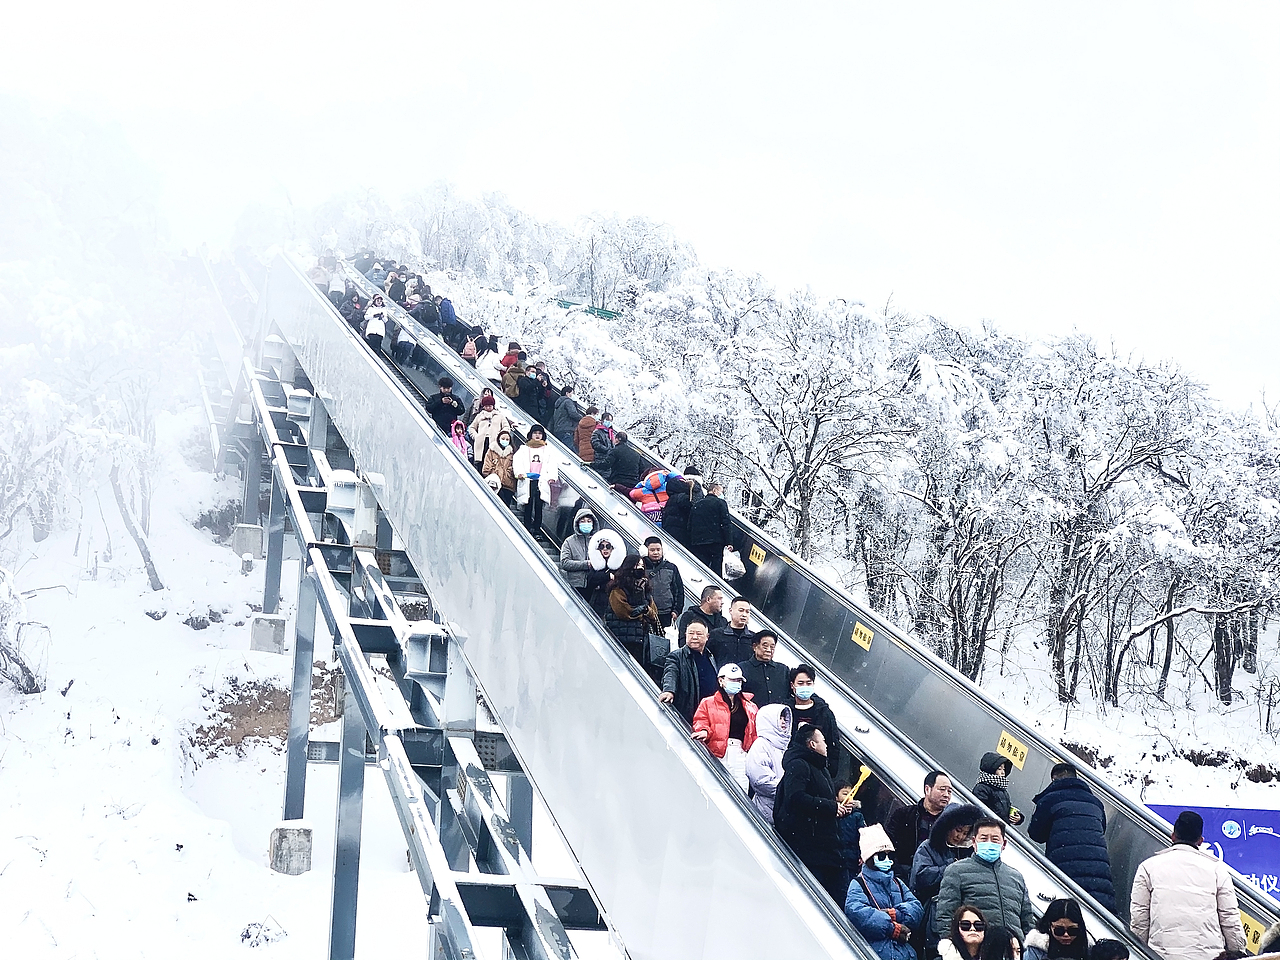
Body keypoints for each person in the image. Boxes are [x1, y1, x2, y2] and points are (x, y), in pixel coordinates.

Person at [1130, 810, 1247, 960]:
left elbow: (1139, 919)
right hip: (1209, 957)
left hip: (1161, 955)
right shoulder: (1217, 870)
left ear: (1173, 836)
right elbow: (1229, 918)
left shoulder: (1148, 867)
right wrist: (1238, 952)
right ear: (1200, 840)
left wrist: (1139, 952)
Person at [774, 724, 853, 905]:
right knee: (820, 902)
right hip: (812, 851)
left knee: (838, 901)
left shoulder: (821, 769)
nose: (827, 745)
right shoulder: (799, 765)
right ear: (812, 745)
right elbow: (796, 797)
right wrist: (831, 807)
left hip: (829, 850)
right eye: (823, 741)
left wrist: (838, 809)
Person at [1027, 763, 1115, 911]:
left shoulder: (1050, 799)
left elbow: (1036, 834)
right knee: (1100, 914)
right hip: (1099, 869)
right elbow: (1102, 829)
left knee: (1066, 912)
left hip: (1064, 866)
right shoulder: (1096, 802)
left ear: (1053, 779)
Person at [935, 817, 1036, 943]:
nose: (989, 843)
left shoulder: (1016, 877)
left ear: (1003, 844)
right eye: (983, 839)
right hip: (976, 950)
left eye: (995, 839)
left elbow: (1027, 919)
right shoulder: (956, 871)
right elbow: (946, 914)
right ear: (974, 842)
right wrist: (951, 946)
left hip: (1012, 950)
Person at [912, 804, 983, 959]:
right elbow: (921, 877)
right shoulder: (928, 848)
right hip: (932, 913)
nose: (961, 837)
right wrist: (951, 868)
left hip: (961, 918)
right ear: (947, 826)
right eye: (958, 830)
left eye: (966, 833)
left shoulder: (967, 852)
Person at [844, 823, 923, 960]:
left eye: (889, 855)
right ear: (869, 857)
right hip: (876, 952)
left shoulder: (897, 882)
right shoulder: (858, 884)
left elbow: (916, 909)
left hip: (904, 952)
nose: (887, 860)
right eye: (881, 856)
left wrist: (891, 914)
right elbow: (857, 912)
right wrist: (892, 928)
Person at [692, 662, 758, 790]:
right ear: (721, 680)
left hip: (741, 753)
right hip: (717, 752)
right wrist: (704, 731)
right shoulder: (708, 702)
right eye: (732, 680)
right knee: (714, 789)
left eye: (739, 680)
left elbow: (755, 731)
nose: (736, 683)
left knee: (741, 790)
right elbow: (701, 720)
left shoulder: (750, 706)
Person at [887, 771, 955, 881]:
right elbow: (888, 845)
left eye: (949, 791)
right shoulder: (903, 815)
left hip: (937, 881)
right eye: (942, 789)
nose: (946, 795)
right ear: (927, 789)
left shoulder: (951, 823)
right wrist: (900, 873)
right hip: (902, 878)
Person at [606, 555, 661, 673]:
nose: (640, 569)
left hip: (641, 637)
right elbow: (623, 612)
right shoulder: (618, 588)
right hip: (622, 637)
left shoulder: (645, 588)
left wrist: (645, 609)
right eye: (637, 565)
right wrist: (643, 613)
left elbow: (653, 612)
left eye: (642, 566)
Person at [789, 664, 842, 778]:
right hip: (791, 766)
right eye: (800, 683)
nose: (805, 686)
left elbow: (833, 742)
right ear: (792, 686)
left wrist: (830, 770)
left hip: (818, 770)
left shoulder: (824, 711)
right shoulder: (784, 710)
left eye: (809, 683)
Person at [660, 620, 718, 724]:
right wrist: (669, 690)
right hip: (689, 713)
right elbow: (670, 673)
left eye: (699, 634)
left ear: (707, 636)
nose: (694, 637)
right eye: (691, 633)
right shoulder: (676, 656)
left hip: (710, 714)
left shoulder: (711, 656)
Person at [745, 703, 792, 823]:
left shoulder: (784, 746)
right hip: (766, 808)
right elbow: (760, 779)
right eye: (779, 718)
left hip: (782, 807)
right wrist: (787, 790)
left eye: (784, 719)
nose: (783, 722)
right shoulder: (761, 745)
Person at [513, 424, 558, 535]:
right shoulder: (524, 449)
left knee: (539, 505)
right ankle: (527, 526)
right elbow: (517, 462)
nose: (537, 436)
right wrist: (519, 473)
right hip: (528, 479)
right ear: (530, 435)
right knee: (527, 503)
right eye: (535, 433)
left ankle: (537, 529)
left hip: (541, 481)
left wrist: (552, 477)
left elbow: (552, 464)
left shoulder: (548, 450)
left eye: (539, 433)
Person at [738, 630, 791, 706]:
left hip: (779, 716)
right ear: (754, 647)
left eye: (772, 647)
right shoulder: (742, 668)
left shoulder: (783, 670)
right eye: (765, 646)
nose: (769, 650)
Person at [689, 481, 733, 572]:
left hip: (698, 543)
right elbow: (726, 523)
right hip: (715, 542)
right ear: (714, 490)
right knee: (716, 569)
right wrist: (729, 542)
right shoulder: (720, 503)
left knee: (701, 569)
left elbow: (690, 525)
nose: (721, 494)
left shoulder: (697, 504)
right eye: (720, 492)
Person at [1023, 899, 1088, 960]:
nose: (1066, 935)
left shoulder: (1088, 948)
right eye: (1059, 930)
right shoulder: (1035, 950)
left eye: (1072, 930)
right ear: (1049, 926)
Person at [642, 536, 685, 630]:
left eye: (658, 549)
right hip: (646, 612)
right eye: (652, 550)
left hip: (666, 613)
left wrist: (676, 610)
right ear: (645, 551)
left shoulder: (671, 567)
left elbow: (678, 590)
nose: (656, 552)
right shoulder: (640, 567)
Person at [973, 753, 1024, 826]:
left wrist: (1018, 817)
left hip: (999, 828)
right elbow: (979, 811)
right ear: (991, 769)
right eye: (999, 769)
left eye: (1004, 769)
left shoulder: (1002, 789)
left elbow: (1005, 808)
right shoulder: (982, 788)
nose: (1003, 772)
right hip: (989, 827)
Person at [559, 508, 600, 599]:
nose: (586, 524)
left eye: (589, 521)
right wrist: (586, 564)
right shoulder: (569, 542)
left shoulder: (597, 541)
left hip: (593, 585)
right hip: (574, 585)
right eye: (583, 521)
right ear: (577, 523)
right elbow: (564, 563)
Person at [836, 781, 869, 886]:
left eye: (851, 794)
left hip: (851, 860)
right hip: (835, 858)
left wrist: (862, 855)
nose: (849, 797)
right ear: (836, 797)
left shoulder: (857, 816)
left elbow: (863, 837)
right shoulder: (831, 814)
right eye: (845, 794)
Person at [584, 530, 622, 618]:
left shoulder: (620, 564)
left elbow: (619, 581)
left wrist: (600, 584)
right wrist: (608, 576)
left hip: (614, 601)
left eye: (608, 546)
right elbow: (590, 580)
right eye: (601, 546)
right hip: (597, 602)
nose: (605, 549)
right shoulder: (596, 564)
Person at [468, 394, 512, 470]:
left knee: (492, 461)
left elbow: (506, 427)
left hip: (494, 442)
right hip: (481, 442)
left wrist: (500, 436)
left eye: (490, 406)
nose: (488, 408)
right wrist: (476, 436)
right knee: (480, 462)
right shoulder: (479, 416)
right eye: (486, 406)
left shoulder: (499, 416)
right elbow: (471, 427)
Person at [708, 596, 755, 666]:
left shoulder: (754, 638)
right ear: (730, 611)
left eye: (747, 612)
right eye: (741, 610)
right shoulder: (716, 635)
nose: (744, 615)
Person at [482, 429, 517, 506]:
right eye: (503, 439)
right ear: (498, 439)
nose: (505, 441)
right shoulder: (491, 451)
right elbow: (486, 466)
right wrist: (491, 473)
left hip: (508, 484)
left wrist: (510, 473)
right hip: (494, 483)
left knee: (506, 505)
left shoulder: (513, 453)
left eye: (507, 439)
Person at [661, 474, 695, 546]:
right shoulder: (682, 497)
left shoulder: (671, 499)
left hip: (670, 528)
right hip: (681, 530)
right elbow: (691, 509)